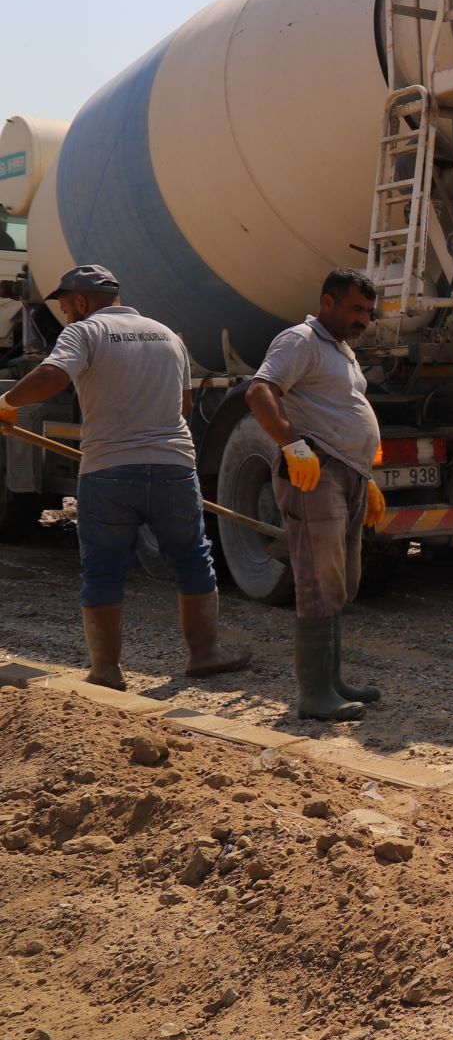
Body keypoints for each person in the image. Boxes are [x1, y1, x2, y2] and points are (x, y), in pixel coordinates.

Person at [0, 265, 251, 690]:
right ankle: (204, 653)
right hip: (174, 467)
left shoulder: (84, 333)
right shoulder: (168, 335)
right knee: (192, 558)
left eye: (65, 306)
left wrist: (7, 401)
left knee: (103, 568)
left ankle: (107, 670)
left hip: (109, 470)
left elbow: (51, 375)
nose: (65, 314)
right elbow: (184, 404)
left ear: (81, 302)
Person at [245, 269, 386, 722]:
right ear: (328, 302)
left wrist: (366, 477)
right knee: (316, 577)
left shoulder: (342, 349)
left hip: (347, 474)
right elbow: (261, 390)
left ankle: (333, 682)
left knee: (342, 578)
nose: (364, 319)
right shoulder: (300, 340)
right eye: (355, 309)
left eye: (368, 311)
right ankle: (313, 694)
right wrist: (291, 443)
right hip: (315, 473)